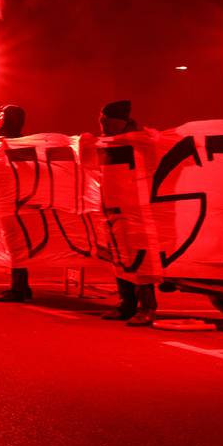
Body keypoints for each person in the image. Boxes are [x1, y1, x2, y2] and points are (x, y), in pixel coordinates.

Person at [95, 100, 158, 326]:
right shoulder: (108, 142)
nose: (101, 124)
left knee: (140, 259)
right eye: (100, 120)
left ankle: (147, 306)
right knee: (120, 258)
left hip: (137, 210)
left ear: (118, 121)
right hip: (112, 210)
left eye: (105, 120)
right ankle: (126, 303)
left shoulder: (141, 141)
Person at [0, 90, 34, 303]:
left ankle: (20, 288)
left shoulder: (20, 146)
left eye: (3, 116)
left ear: (10, 122)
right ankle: (20, 286)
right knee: (14, 246)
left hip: (16, 204)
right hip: (5, 203)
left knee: (17, 246)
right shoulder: (5, 140)